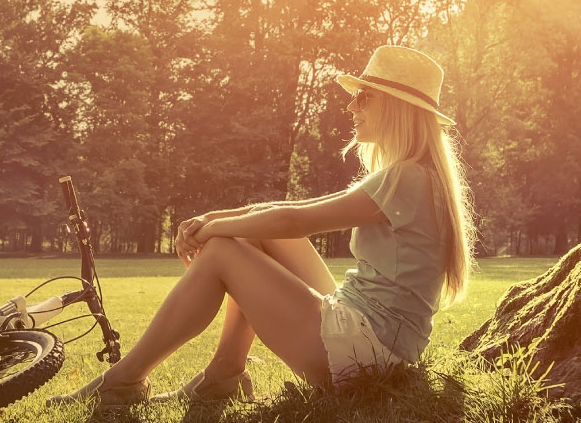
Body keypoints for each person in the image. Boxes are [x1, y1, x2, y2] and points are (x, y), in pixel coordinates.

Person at [48, 45, 475, 406]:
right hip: (379, 340)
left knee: (223, 251)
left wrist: (214, 232)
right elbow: (290, 210)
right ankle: (224, 374)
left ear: (396, 108)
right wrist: (218, 218)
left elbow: (297, 219)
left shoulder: (407, 178)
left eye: (363, 96)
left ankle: (125, 379)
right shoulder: (415, 175)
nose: (351, 106)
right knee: (254, 231)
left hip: (367, 350)